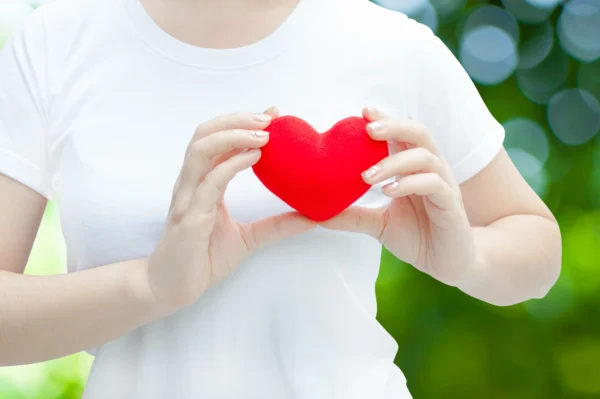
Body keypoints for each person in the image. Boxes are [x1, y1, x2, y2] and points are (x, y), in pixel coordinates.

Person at [0, 0, 562, 397]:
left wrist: (466, 257)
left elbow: (536, 249)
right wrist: (151, 285)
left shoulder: (393, 46)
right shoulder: (56, 41)